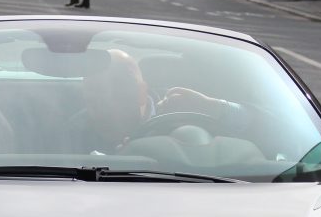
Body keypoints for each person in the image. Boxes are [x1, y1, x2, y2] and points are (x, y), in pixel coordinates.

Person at [72, 49, 250, 153]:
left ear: (141, 93)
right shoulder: (75, 129)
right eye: (91, 100)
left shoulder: (186, 108)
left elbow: (271, 127)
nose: (97, 111)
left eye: (111, 99)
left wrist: (216, 109)